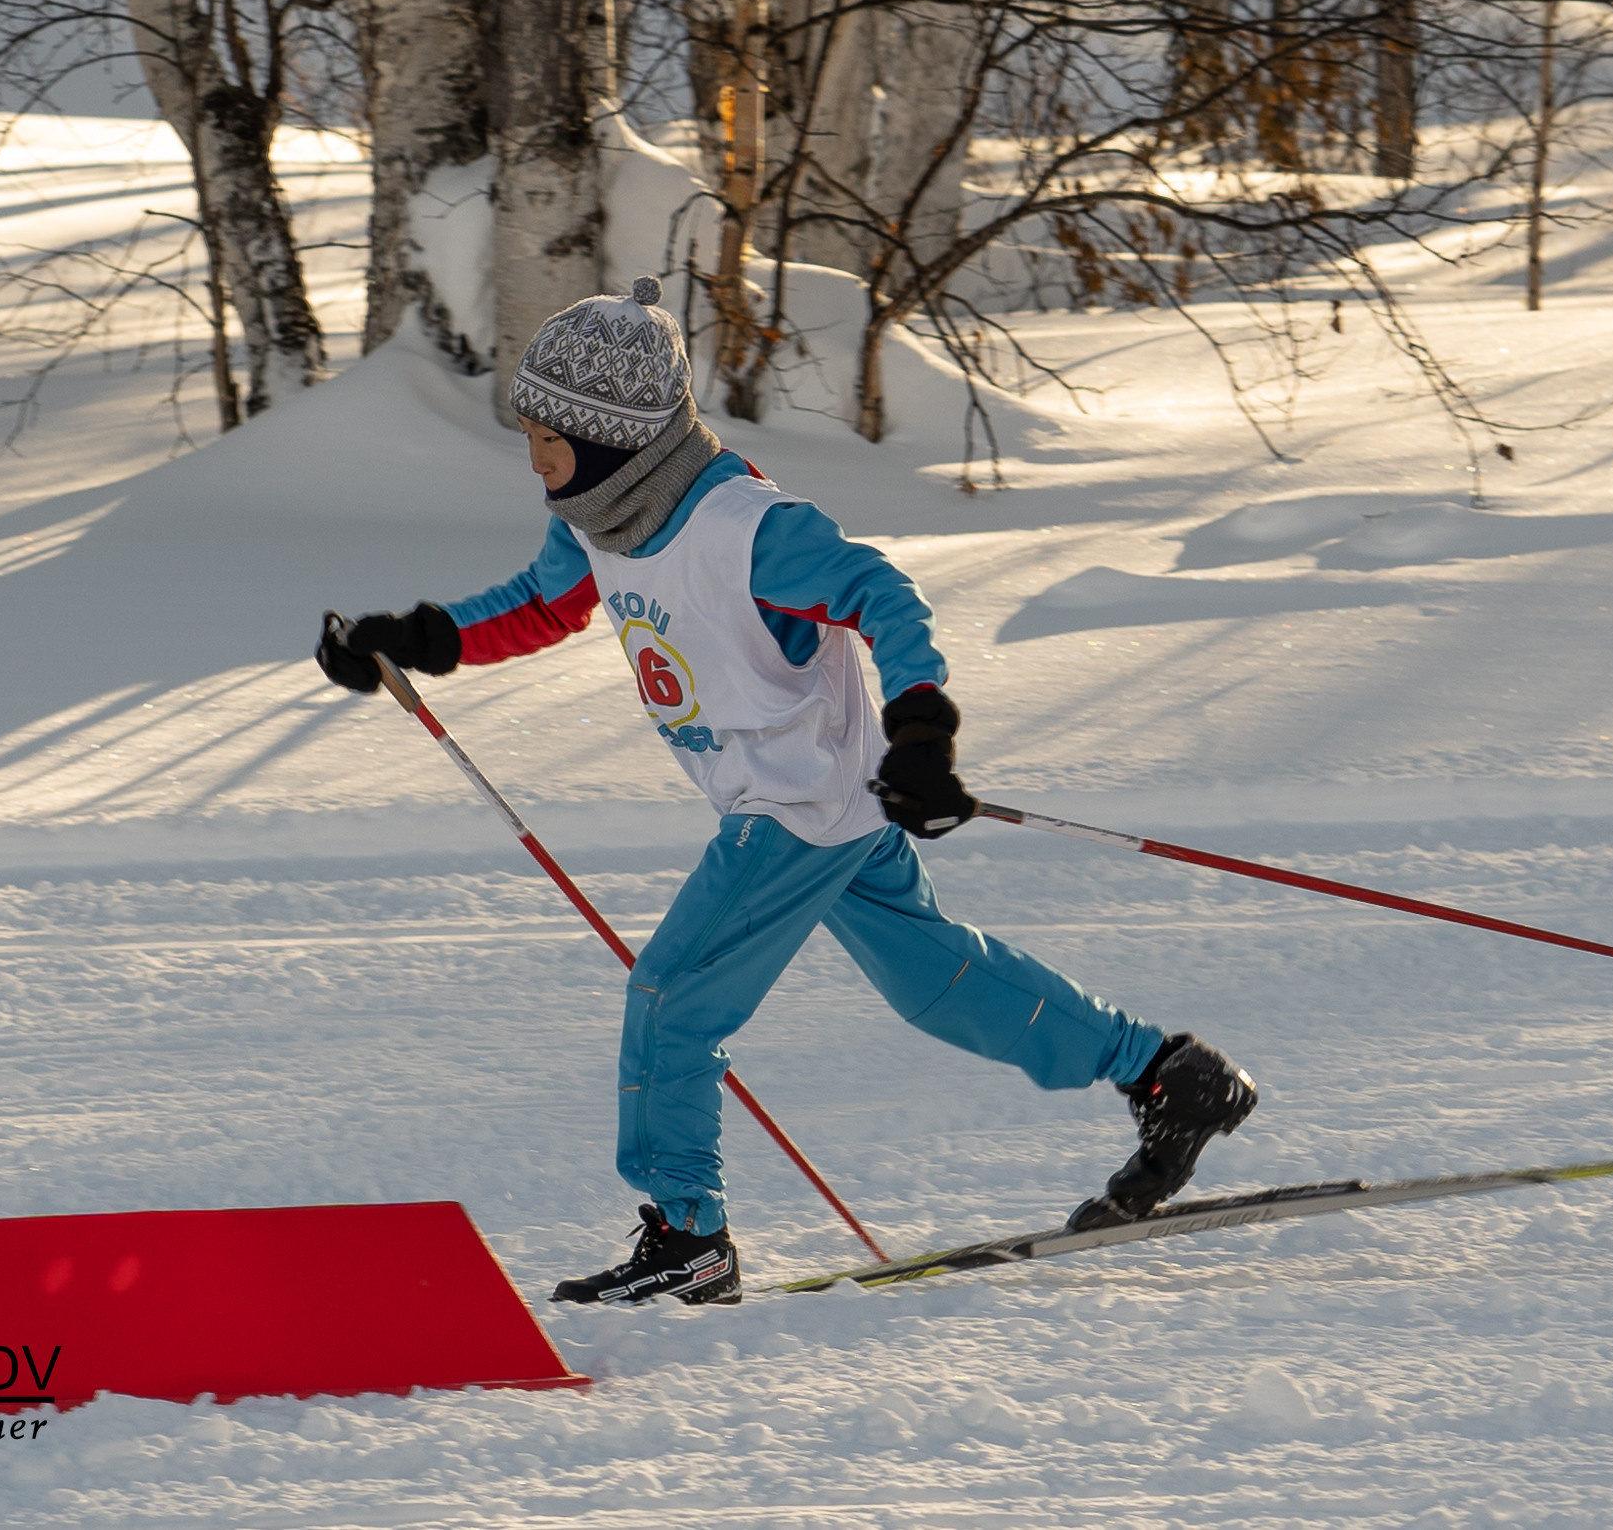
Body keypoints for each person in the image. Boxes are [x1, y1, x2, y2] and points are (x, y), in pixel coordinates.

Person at [317, 278, 1254, 1305]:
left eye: (552, 440)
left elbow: (881, 594)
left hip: (795, 806)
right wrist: (414, 639)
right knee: (938, 982)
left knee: (671, 1001)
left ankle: (690, 1237)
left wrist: (923, 732)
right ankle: (1165, 1074)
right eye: (530, 436)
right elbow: (543, 603)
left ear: (622, 439)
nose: (535, 459)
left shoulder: (744, 525)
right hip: (813, 799)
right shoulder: (598, 515)